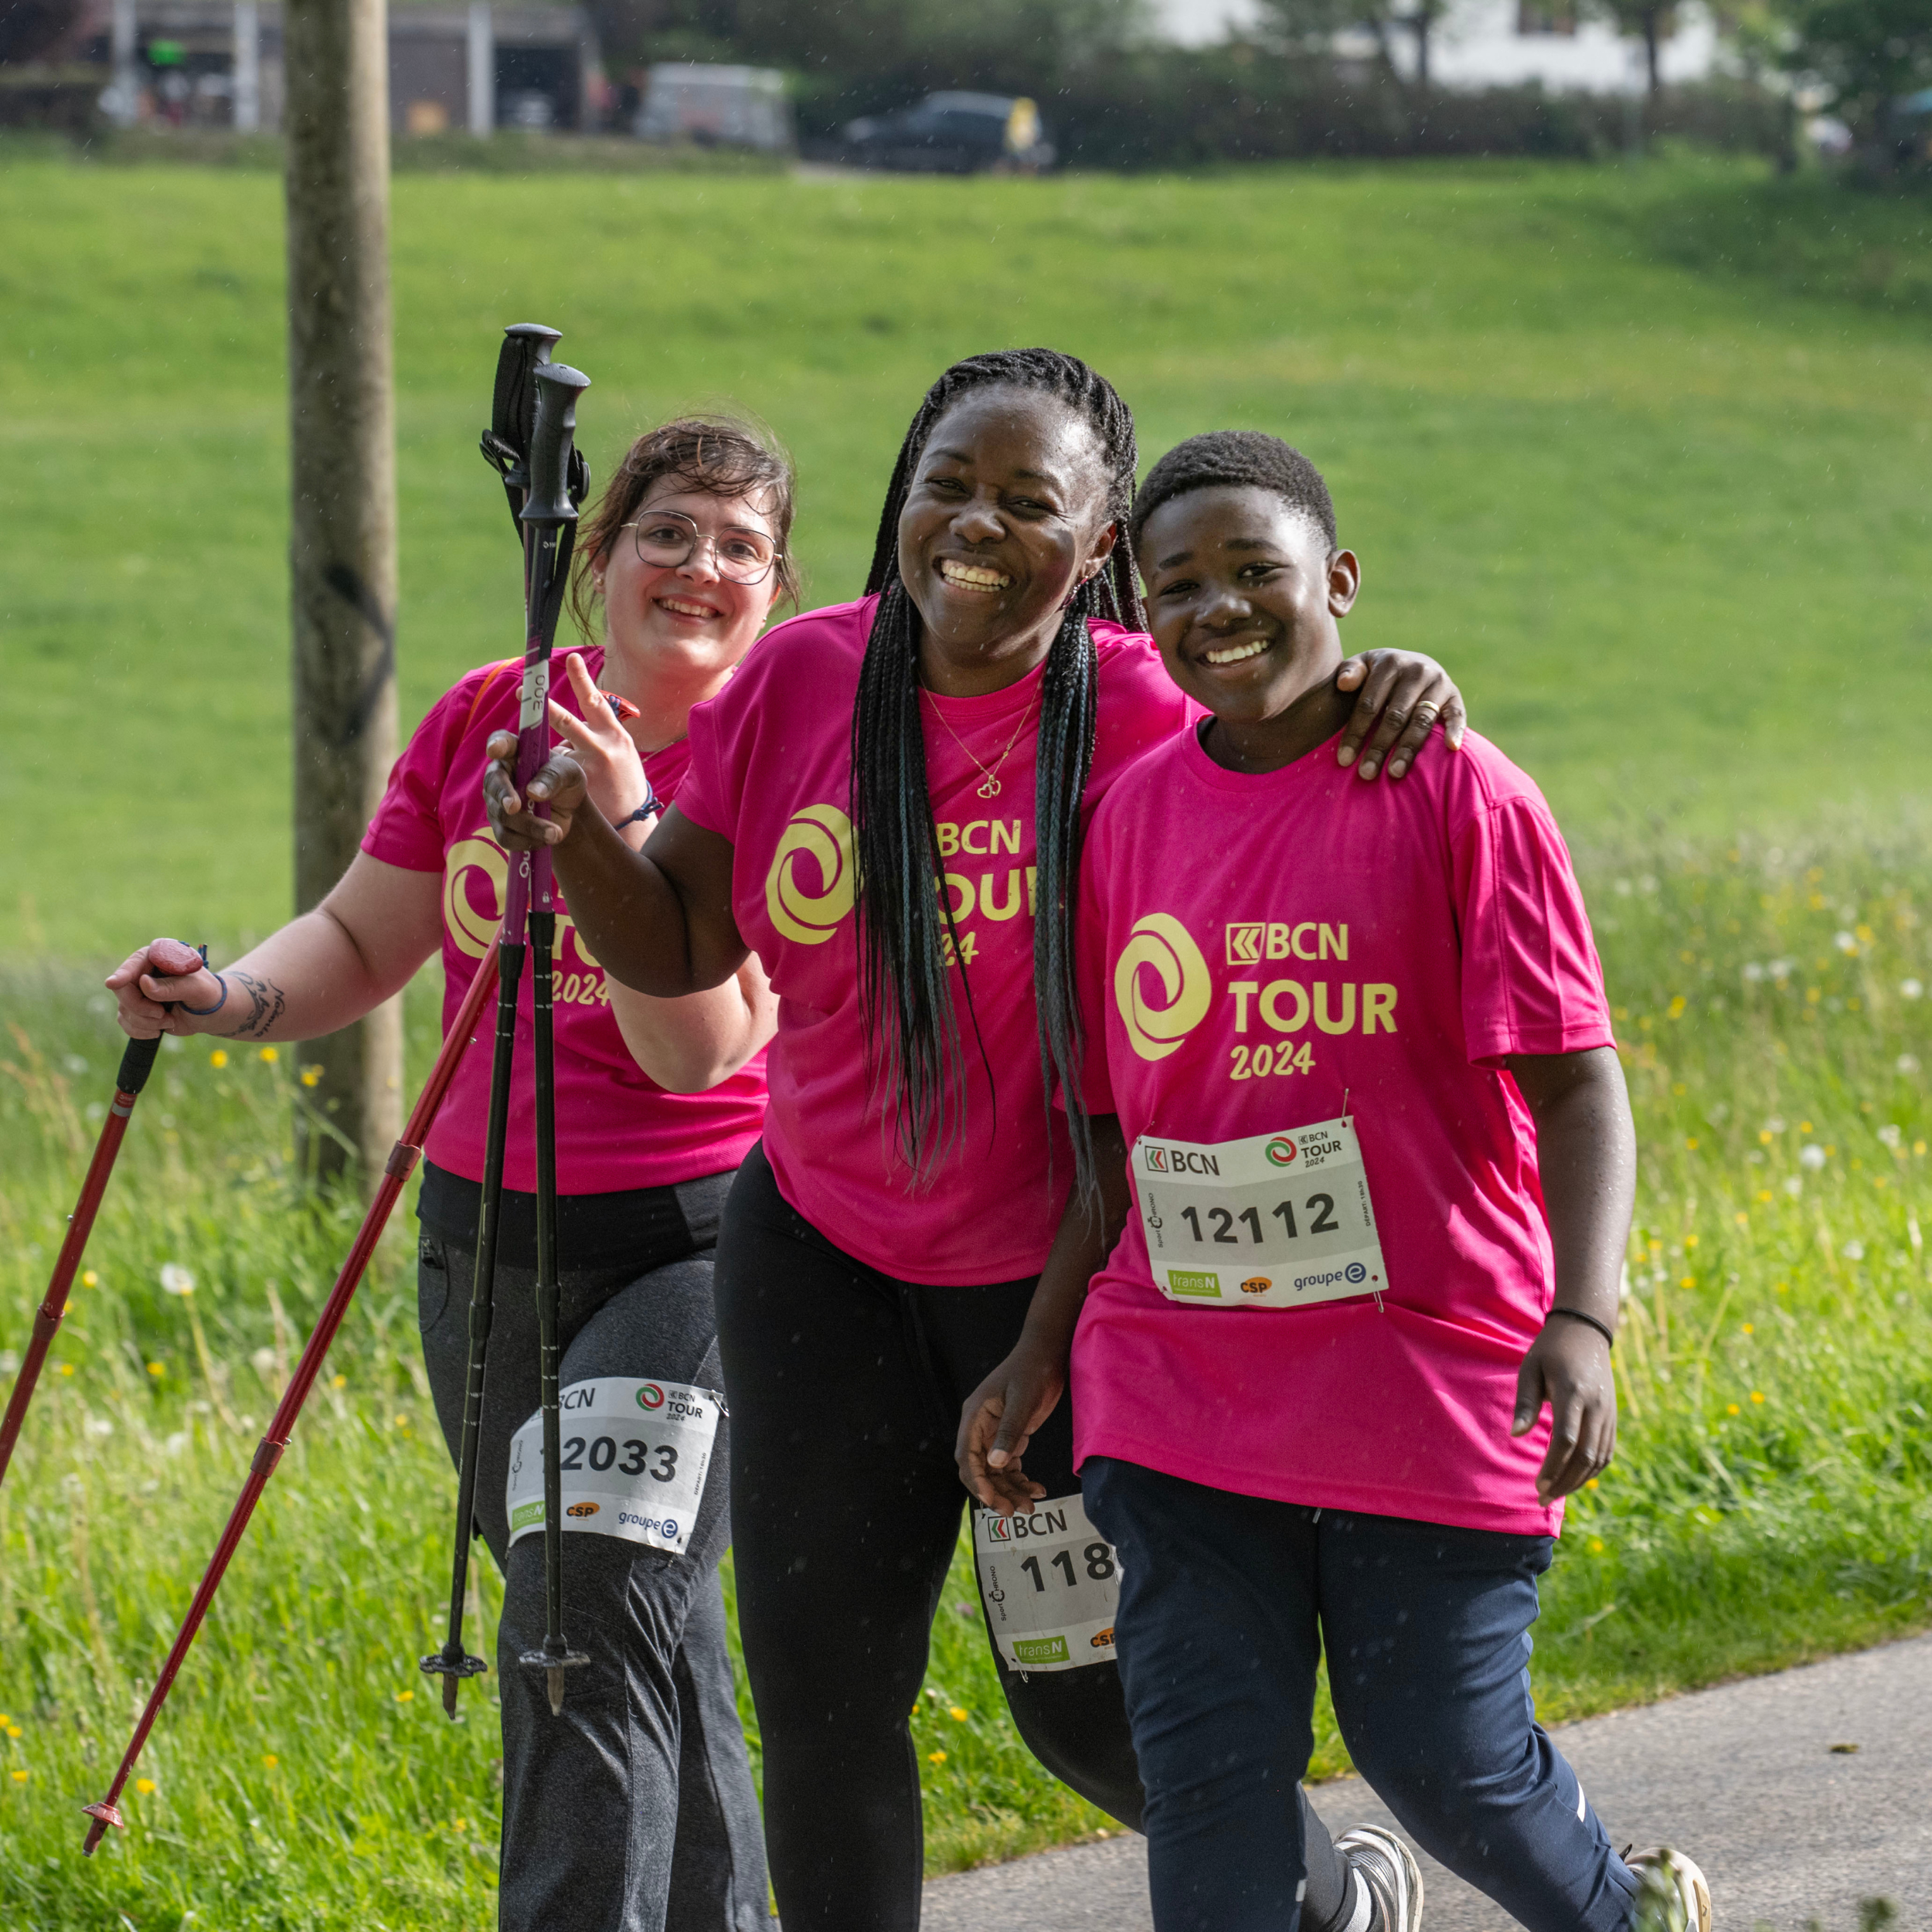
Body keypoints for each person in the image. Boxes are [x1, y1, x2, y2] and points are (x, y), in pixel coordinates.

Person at [488, 350, 1468, 1932]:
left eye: (1027, 500)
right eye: (945, 482)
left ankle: (1324, 1889)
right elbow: (673, 941)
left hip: (1062, 1290)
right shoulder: (806, 676)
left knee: (1076, 1706)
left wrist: (1393, 675)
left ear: (1095, 552)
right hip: (817, 1256)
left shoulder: (1158, 714)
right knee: (823, 1718)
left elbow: (1315, 717)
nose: (971, 522)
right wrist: (573, 836)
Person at [957, 430, 1713, 1932]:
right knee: (1210, 1778)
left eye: (1255, 571)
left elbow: (1575, 1080)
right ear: (1136, 605)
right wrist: (1040, 1346)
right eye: (1179, 583)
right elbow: (1114, 1134)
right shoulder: (1126, 820)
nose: (1217, 607)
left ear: (1338, 583)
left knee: (1439, 1756)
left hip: (1427, 1376)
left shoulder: (1456, 787)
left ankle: (1627, 1906)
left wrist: (1584, 1316)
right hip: (1178, 1381)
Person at [106, 416, 794, 1932]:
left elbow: (699, 1053)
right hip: (480, 1243)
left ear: (774, 586)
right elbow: (362, 939)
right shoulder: (495, 712)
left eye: (740, 543)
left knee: (575, 1619)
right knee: (637, 1627)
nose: (700, 565)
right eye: (668, 529)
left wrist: (616, 825)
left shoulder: (773, 752)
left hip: (693, 1243)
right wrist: (219, 996)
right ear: (596, 555)